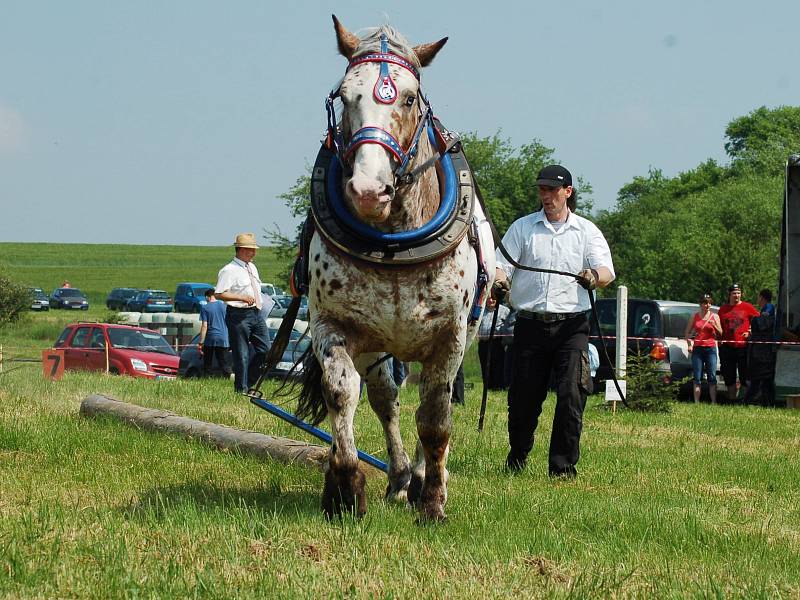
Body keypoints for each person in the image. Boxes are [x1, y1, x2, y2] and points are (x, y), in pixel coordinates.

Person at [494, 164, 615, 477]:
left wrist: (593, 276)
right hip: (530, 325)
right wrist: (499, 281)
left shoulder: (587, 231)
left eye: (552, 190)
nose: (546, 196)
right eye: (542, 190)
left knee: (572, 394)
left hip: (572, 327)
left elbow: (607, 271)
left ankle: (562, 468)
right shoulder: (523, 228)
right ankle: (518, 455)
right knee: (522, 400)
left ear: (568, 192)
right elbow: (500, 265)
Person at [214, 233, 270, 392]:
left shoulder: (252, 267)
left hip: (256, 314)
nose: (254, 253)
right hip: (238, 315)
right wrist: (241, 297)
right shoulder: (228, 270)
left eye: (254, 250)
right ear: (240, 250)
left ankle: (250, 382)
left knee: (265, 350)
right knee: (242, 354)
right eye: (250, 250)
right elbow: (219, 294)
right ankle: (241, 388)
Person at [718, 283, 760, 402]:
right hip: (727, 347)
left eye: (738, 293)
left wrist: (750, 331)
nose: (736, 295)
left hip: (743, 347)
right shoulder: (723, 309)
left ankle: (746, 400)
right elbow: (718, 326)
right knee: (729, 376)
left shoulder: (748, 307)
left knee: (745, 375)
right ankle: (732, 400)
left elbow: (759, 320)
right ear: (729, 295)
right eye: (734, 293)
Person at [684, 293, 722, 404]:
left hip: (710, 349)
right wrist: (689, 345)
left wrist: (714, 325)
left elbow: (721, 333)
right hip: (698, 349)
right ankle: (697, 402)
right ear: (700, 304)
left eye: (710, 303)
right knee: (697, 376)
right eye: (705, 303)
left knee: (712, 375)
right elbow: (687, 332)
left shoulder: (715, 316)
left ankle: (714, 402)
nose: (708, 305)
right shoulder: (694, 316)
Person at [477, 296, 510, 390]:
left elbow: (507, 326)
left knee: (498, 365)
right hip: (483, 343)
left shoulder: (505, 311)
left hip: (497, 343)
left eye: (493, 298)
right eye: (488, 298)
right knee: (485, 365)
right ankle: (487, 387)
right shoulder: (481, 311)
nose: (491, 300)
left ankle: (498, 387)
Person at [198, 289, 232, 378]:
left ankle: (207, 378)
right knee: (223, 362)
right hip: (223, 338)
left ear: (207, 297)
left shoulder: (205, 308)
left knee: (208, 363)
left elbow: (204, 326)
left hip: (210, 338)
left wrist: (201, 342)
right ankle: (229, 377)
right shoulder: (224, 306)